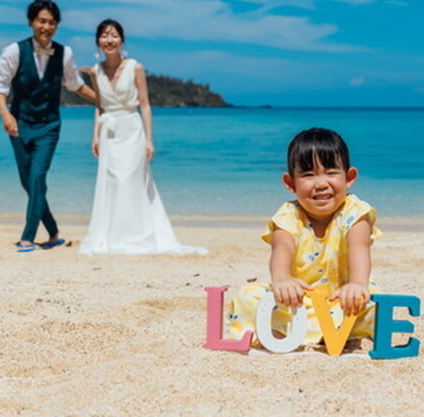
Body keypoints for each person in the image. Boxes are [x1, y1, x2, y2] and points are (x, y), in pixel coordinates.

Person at [226, 128, 381, 347]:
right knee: (248, 294)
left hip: (342, 297)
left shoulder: (355, 212)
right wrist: (282, 279)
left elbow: (359, 247)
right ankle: (302, 331)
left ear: (349, 178)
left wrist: (357, 283)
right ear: (291, 183)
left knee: (374, 299)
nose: (321, 183)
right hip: (298, 300)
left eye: (331, 172)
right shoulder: (288, 215)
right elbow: (282, 247)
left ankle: (325, 332)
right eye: (308, 175)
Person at [80, 19, 205, 255]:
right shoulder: (95, 71)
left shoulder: (135, 67)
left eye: (114, 35)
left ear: (122, 40)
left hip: (132, 129)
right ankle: (114, 235)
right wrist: (94, 136)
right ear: (98, 41)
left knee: (131, 180)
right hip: (108, 133)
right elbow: (100, 106)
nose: (109, 40)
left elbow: (145, 105)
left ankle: (135, 234)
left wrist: (149, 139)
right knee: (112, 182)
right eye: (104, 36)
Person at [0, 0, 97, 253]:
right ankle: (53, 232)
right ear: (31, 22)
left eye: (51, 22)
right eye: (41, 21)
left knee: (37, 176)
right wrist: (5, 115)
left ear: (57, 25)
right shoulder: (13, 51)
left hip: (49, 126)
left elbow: (75, 85)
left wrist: (106, 101)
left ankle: (27, 237)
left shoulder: (65, 53)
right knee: (28, 182)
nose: (46, 27)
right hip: (18, 123)